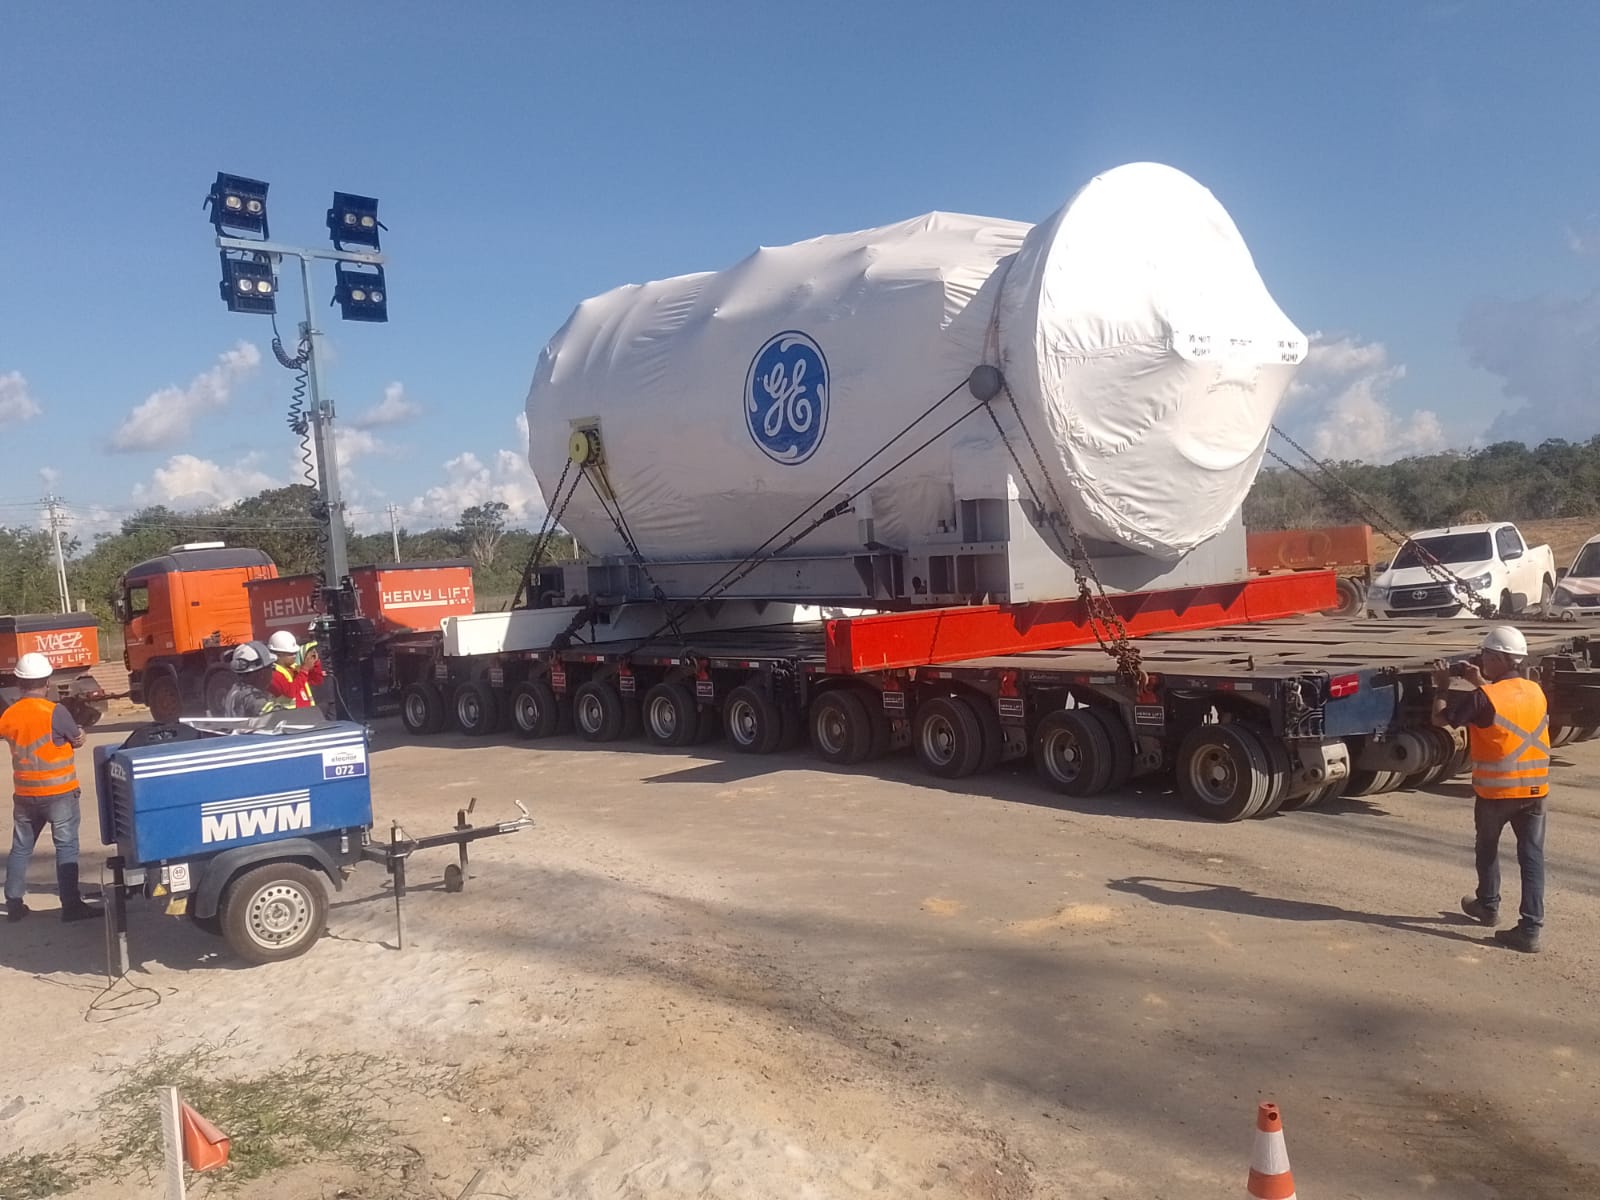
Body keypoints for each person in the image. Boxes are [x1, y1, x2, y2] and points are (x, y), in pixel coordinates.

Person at [1431, 625, 1549, 953]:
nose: (1481, 659)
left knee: (1487, 849)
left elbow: (1441, 720)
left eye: (1485, 655)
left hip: (1497, 794)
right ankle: (1530, 929)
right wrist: (1477, 680)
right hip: (1535, 791)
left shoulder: (1483, 698)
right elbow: (1502, 706)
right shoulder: (1534, 690)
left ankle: (1488, 905)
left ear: (1497, 658)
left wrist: (1442, 687)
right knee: (1532, 858)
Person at [0, 652, 101, 923]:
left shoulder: (9, 714)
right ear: (46, 682)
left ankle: (13, 901)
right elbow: (76, 739)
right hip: (60, 794)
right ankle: (71, 906)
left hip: (25, 795)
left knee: (21, 848)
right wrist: (80, 733)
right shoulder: (55, 711)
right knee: (66, 848)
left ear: (19, 682)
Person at [266, 631, 324, 711]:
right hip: (290, 718)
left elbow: (316, 681)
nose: (294, 656)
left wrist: (315, 663)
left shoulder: (295, 669)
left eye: (295, 653)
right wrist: (305, 669)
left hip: (308, 714)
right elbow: (290, 692)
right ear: (278, 654)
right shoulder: (273, 674)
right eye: (291, 653)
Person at [220, 641, 278, 719]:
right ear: (261, 673)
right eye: (271, 667)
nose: (272, 672)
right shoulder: (255, 699)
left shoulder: (235, 689)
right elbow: (276, 719)